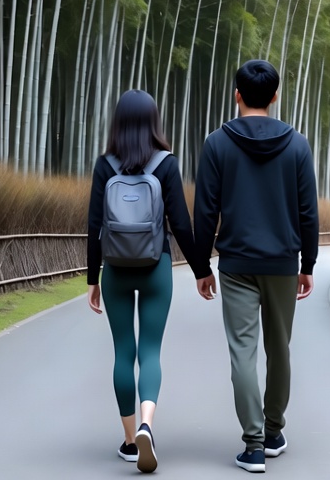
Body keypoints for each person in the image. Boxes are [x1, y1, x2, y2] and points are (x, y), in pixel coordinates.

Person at [193, 59, 319, 474]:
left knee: (242, 352)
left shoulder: (217, 144)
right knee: (279, 347)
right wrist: (308, 263)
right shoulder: (297, 145)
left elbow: (205, 211)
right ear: (276, 96)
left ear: (237, 95)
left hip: (236, 265)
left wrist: (200, 266)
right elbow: (308, 213)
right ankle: (274, 430)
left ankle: (253, 446)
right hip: (283, 264)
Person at [87, 89, 212, 474]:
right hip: (156, 265)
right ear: (154, 122)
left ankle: (128, 441)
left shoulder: (105, 165)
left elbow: (94, 227)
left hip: (116, 271)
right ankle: (147, 424)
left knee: (123, 352)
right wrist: (201, 270)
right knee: (151, 351)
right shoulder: (165, 164)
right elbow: (181, 223)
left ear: (118, 122)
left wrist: (93, 278)